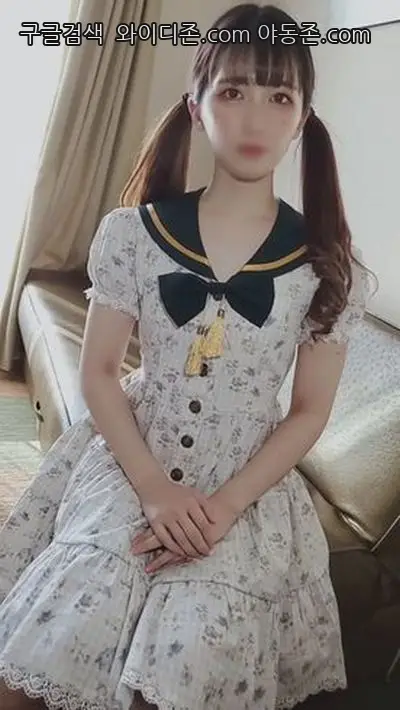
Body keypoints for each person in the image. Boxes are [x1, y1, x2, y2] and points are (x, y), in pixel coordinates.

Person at [0, 3, 375, 710]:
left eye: (280, 97)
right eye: (233, 91)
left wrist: (223, 506)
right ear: (197, 107)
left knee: (195, 652)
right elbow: (100, 373)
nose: (255, 117)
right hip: (131, 457)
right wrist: (151, 487)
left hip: (246, 487)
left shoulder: (329, 268)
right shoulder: (131, 234)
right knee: (49, 636)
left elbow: (308, 411)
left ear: (303, 118)